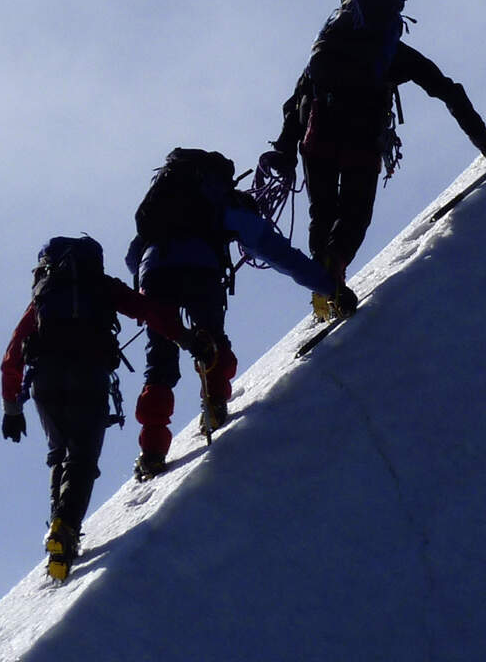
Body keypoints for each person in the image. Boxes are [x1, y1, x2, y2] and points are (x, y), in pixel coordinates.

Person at [259, 0, 486, 318]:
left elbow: (297, 104)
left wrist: (285, 150)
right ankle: (333, 268)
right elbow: (448, 91)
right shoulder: (392, 52)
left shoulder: (328, 46)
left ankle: (325, 281)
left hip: (317, 137)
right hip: (362, 140)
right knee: (354, 214)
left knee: (322, 213)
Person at [0, 233, 204, 581]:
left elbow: (12, 356)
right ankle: (65, 527)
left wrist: (11, 410)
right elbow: (150, 311)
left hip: (44, 380)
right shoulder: (102, 286)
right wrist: (187, 338)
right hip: (88, 372)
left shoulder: (42, 299)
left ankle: (60, 531)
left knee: (59, 453)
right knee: (81, 456)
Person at [126, 147, 335, 480]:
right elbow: (275, 251)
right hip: (201, 268)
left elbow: (132, 257)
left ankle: (152, 451)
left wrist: (145, 292)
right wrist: (328, 287)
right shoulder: (224, 205)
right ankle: (215, 403)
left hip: (154, 269)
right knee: (212, 338)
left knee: (159, 361)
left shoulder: (162, 208)